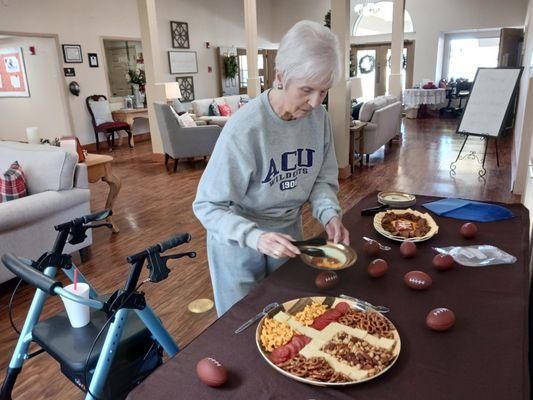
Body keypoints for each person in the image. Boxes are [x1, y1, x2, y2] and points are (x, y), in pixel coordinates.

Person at [193, 20, 350, 316]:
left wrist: (329, 213)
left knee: (288, 316)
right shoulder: (246, 128)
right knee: (243, 323)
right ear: (280, 76)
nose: (316, 103)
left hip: (289, 234)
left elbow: (322, 179)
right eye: (307, 89)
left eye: (324, 91)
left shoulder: (319, 119)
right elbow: (208, 206)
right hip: (237, 240)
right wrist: (256, 237)